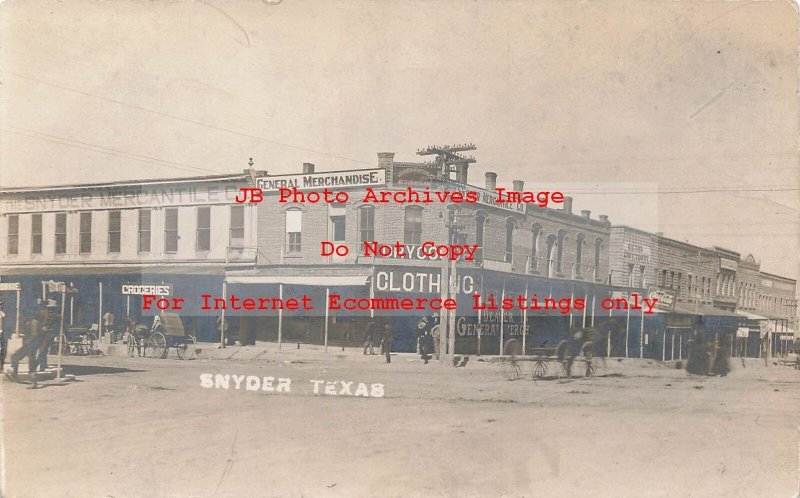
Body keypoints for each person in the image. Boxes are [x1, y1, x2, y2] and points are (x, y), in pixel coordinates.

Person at [8, 312, 43, 387]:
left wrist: (28, 341)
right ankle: (32, 381)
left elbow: (34, 334)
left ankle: (15, 375)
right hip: (32, 345)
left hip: (30, 345)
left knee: (15, 357)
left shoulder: (34, 321)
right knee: (31, 362)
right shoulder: (31, 321)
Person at [0, 302, 7, 371]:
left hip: (1, 332)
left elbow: (4, 316)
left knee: (2, 349)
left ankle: (1, 366)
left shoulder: (1, 313)